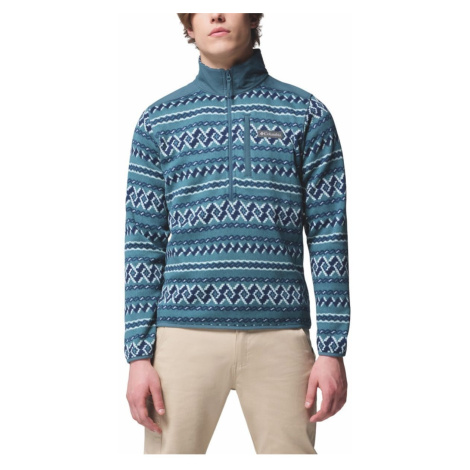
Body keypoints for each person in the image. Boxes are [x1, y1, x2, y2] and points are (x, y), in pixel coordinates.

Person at [124, 13, 350, 454]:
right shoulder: (158, 121)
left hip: (281, 338)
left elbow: (329, 235)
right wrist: (137, 356)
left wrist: (332, 348)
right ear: (188, 26)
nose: (217, 14)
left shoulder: (306, 113)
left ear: (253, 16)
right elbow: (141, 243)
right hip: (181, 336)